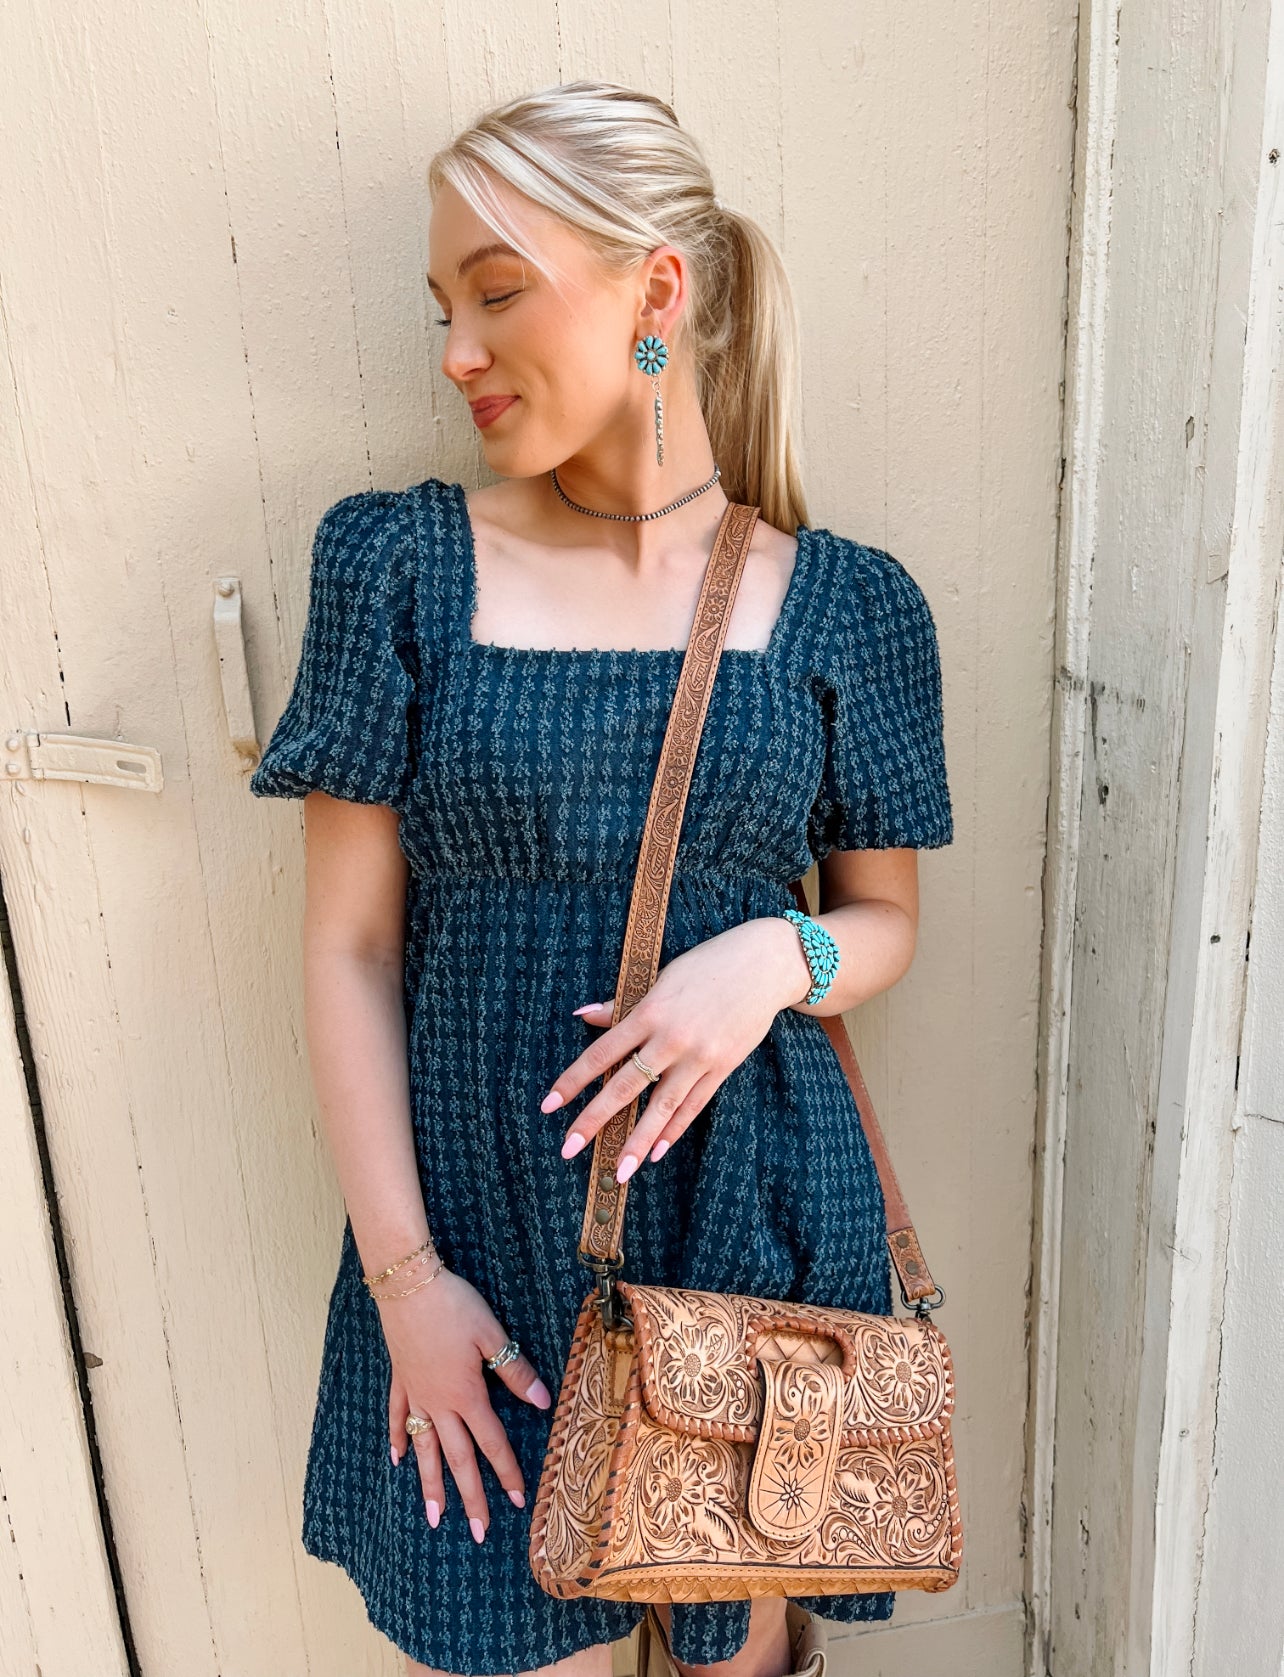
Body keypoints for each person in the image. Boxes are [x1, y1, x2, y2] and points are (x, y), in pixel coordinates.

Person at [250, 78, 952, 1677]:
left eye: (499, 290)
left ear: (658, 291)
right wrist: (406, 1279)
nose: (457, 349)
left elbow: (886, 919)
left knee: (742, 1654)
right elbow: (350, 947)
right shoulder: (397, 565)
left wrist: (772, 957)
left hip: (753, 1223)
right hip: (474, 1247)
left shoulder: (848, 606)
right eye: (444, 305)